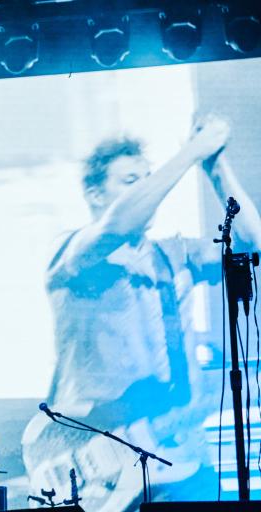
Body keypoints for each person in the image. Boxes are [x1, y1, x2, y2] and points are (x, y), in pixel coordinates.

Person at [22, 116, 261, 511]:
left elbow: (253, 245)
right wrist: (189, 152)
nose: (149, 189)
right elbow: (116, 226)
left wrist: (215, 166)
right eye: (131, 181)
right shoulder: (74, 254)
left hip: (177, 453)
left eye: (147, 178)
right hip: (96, 448)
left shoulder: (174, 254)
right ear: (95, 194)